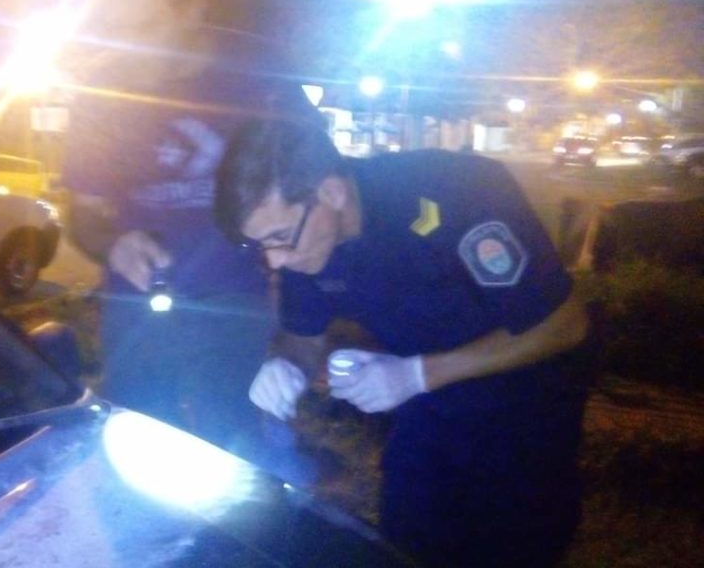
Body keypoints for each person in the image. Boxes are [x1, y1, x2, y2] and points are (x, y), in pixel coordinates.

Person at [214, 118, 592, 567]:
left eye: (279, 239)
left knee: (509, 549)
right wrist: (286, 365)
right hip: (426, 414)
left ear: (331, 193)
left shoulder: (456, 190)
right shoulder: (304, 247)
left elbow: (563, 324)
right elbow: (302, 335)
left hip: (526, 413)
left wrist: (418, 374)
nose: (276, 261)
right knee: (402, 545)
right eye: (261, 246)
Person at [60, 0, 321, 482]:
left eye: (143, 28)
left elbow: (317, 172)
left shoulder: (257, 70)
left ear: (193, 8)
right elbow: (83, 215)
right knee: (135, 437)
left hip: (235, 303)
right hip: (137, 305)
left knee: (233, 440)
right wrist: (114, 244)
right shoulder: (103, 90)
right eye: (115, 29)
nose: (128, 46)